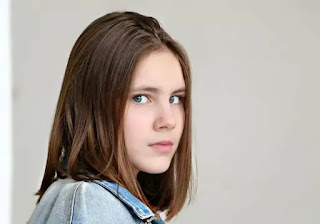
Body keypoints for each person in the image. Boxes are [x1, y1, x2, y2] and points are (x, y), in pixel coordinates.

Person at [28, 11, 196, 224]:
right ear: (94, 105)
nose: (168, 121)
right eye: (141, 98)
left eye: (175, 98)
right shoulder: (92, 204)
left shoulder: (89, 199)